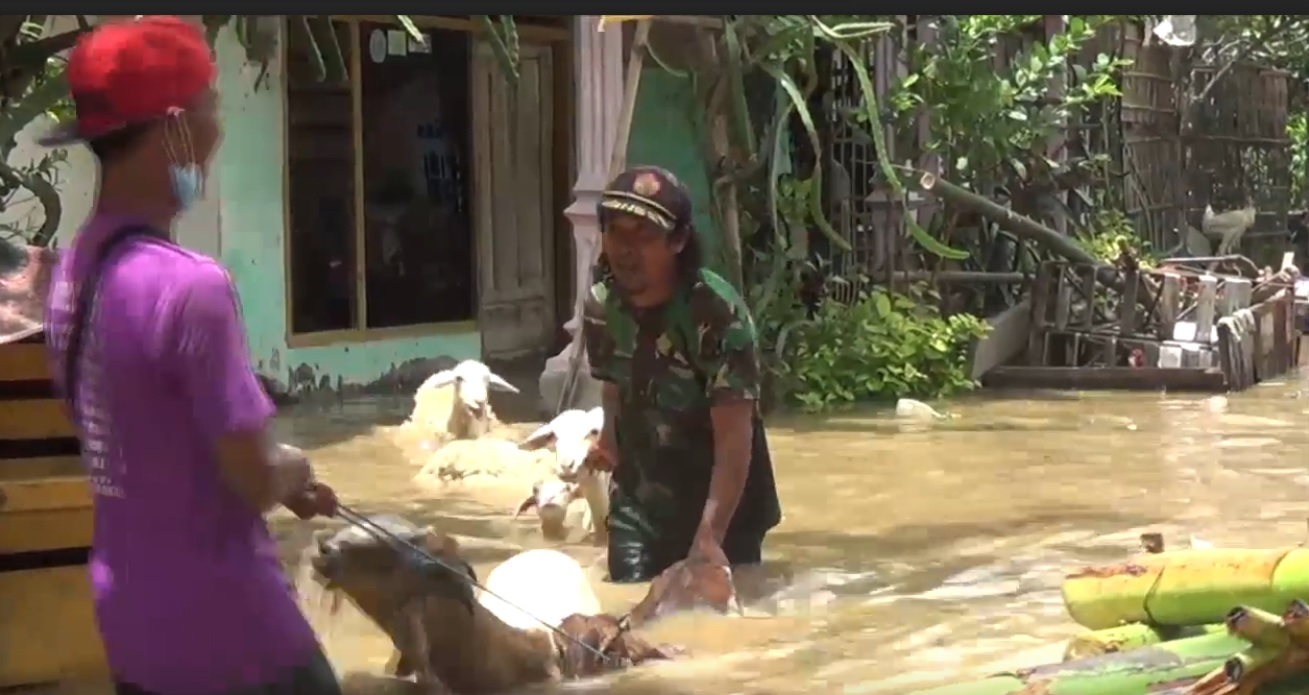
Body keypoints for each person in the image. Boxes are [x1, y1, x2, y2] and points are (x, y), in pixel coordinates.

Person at [39, 17, 342, 695]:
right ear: (175, 127)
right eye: (210, 108)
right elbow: (253, 479)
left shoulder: (69, 276)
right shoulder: (191, 286)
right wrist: (293, 469)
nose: (217, 133)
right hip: (233, 634)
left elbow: (141, 438)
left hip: (130, 623)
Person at [581, 165, 782, 583]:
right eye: (617, 232)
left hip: (727, 508)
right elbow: (615, 384)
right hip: (642, 503)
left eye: (645, 236)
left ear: (678, 241)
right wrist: (609, 440)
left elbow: (734, 439)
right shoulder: (602, 306)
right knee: (625, 614)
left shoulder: (716, 313)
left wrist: (710, 538)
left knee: (717, 633)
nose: (626, 250)